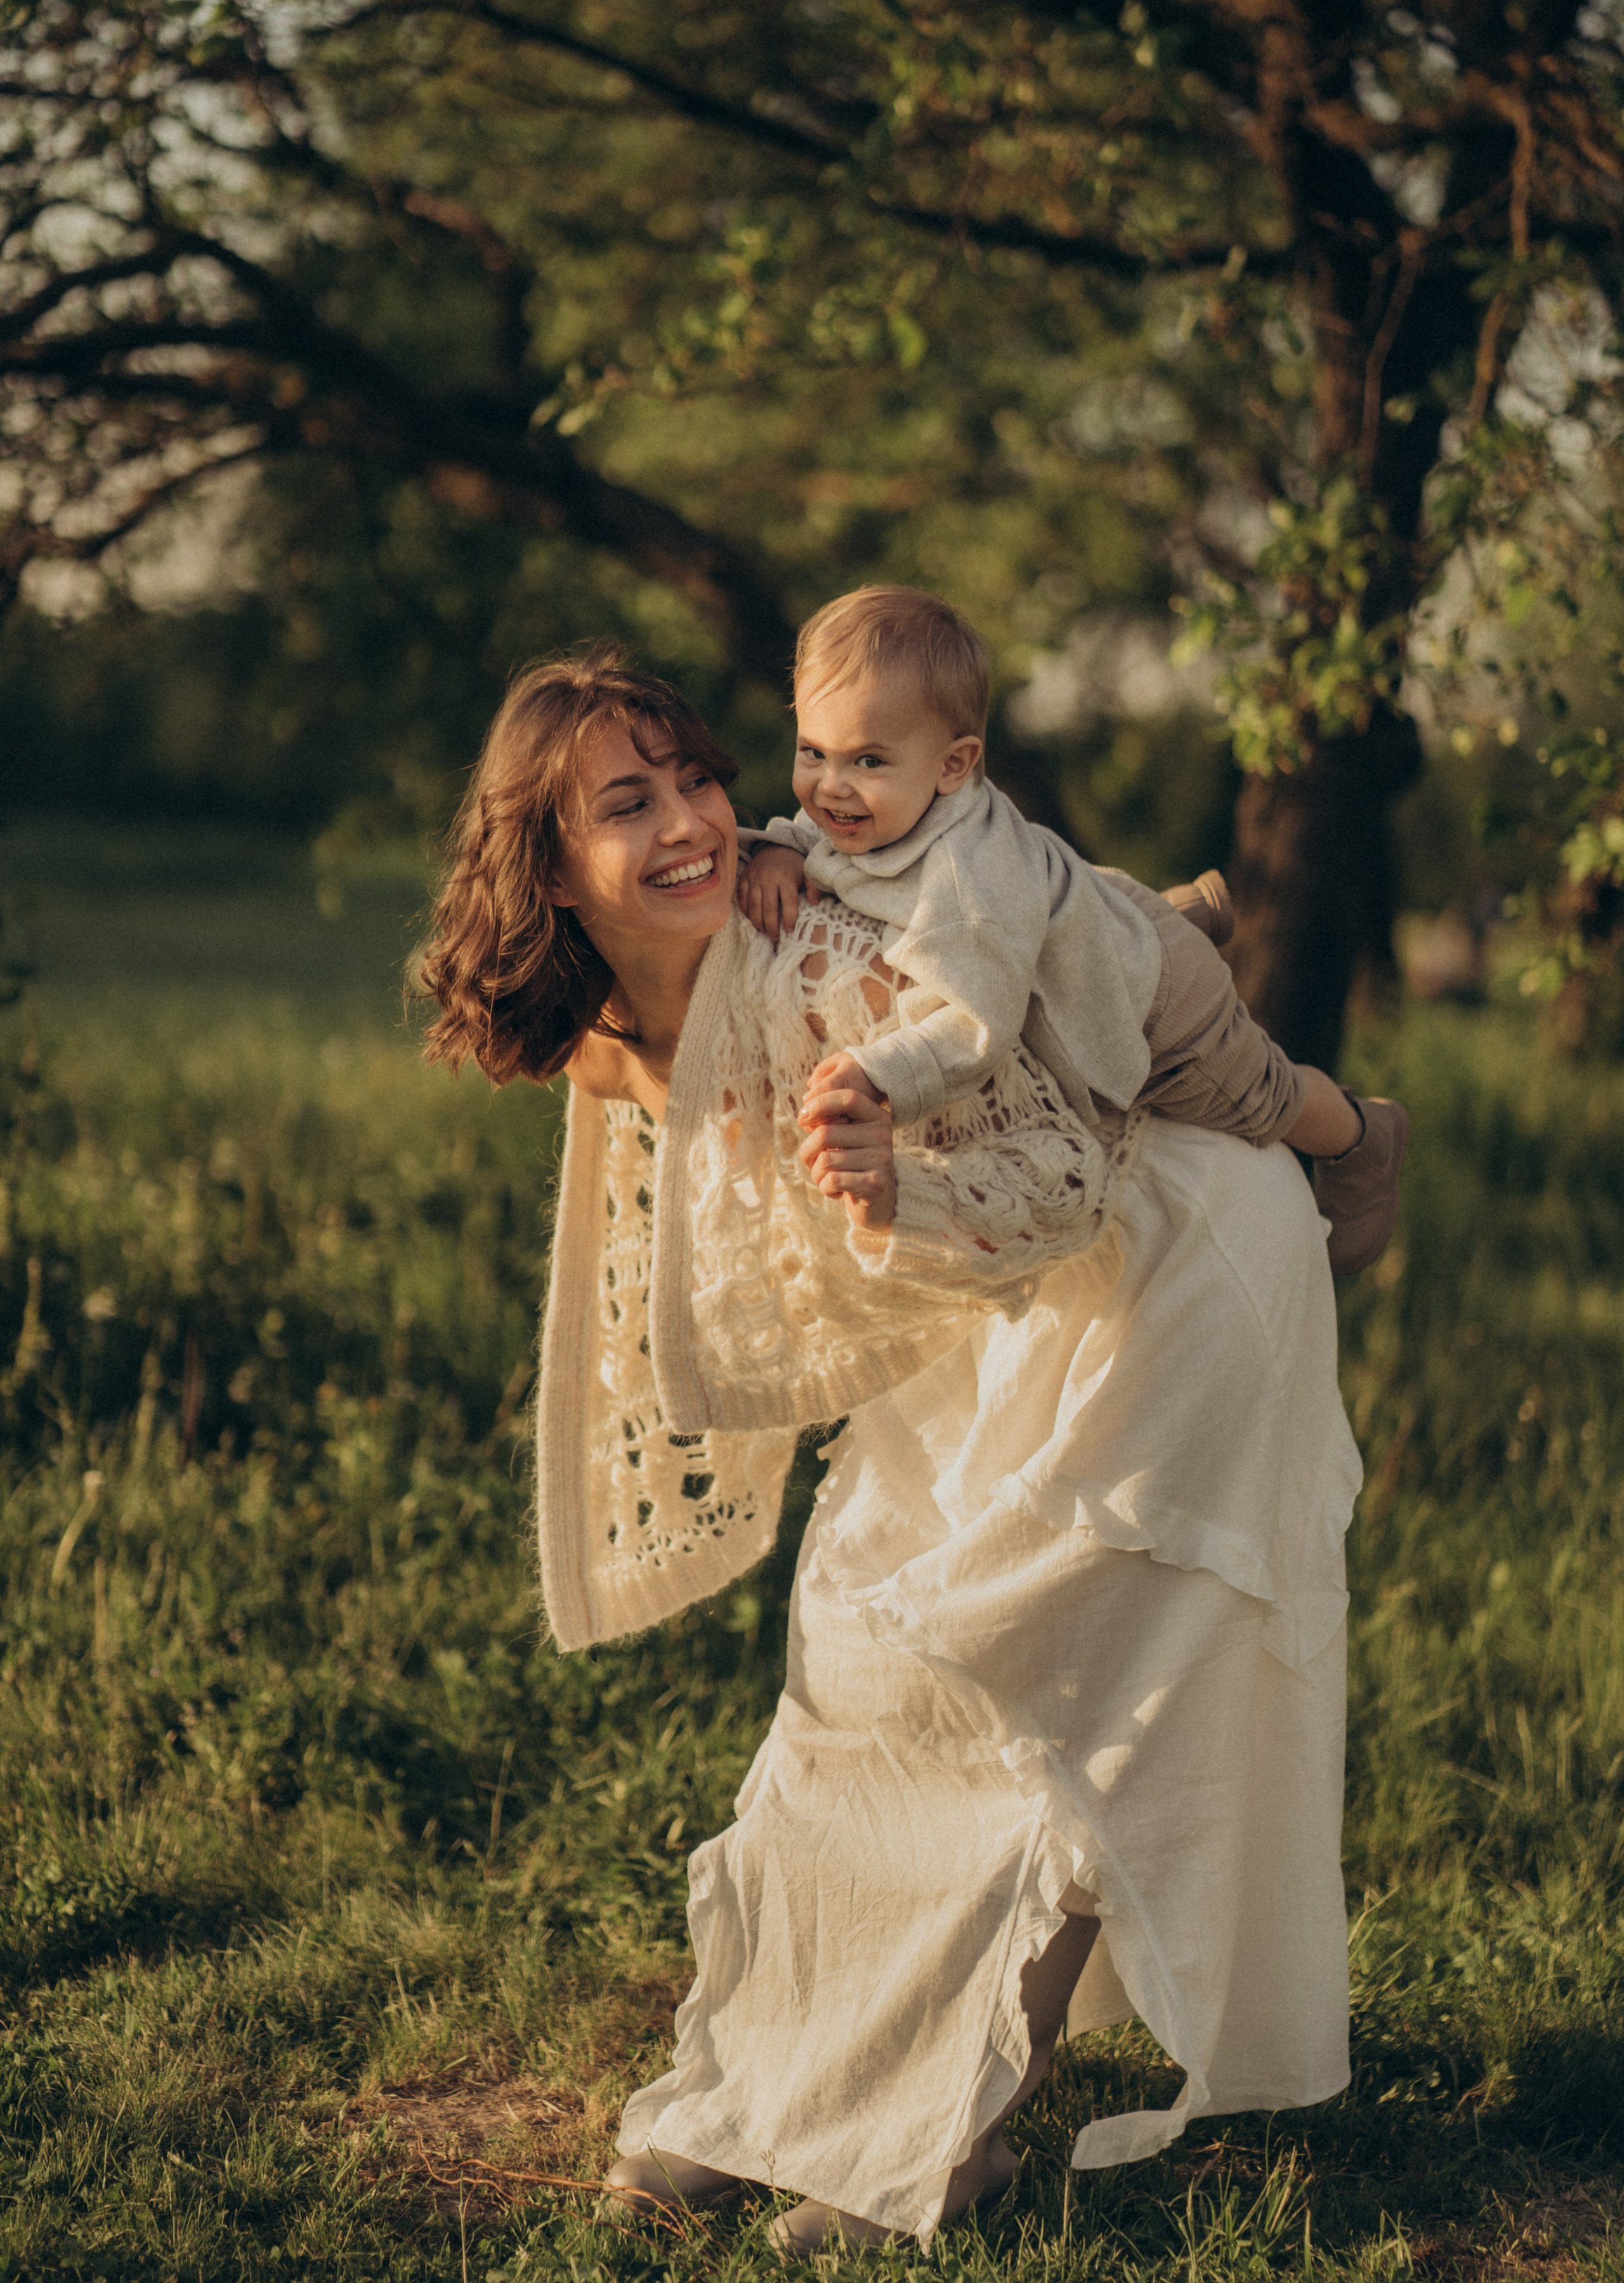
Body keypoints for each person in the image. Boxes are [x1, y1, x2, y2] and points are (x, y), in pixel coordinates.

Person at [421, 649, 1368, 2256]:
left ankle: (954, 2122)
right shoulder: (600, 1026)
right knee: (854, 1663)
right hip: (973, 1306)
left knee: (1043, 1669)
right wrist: (881, 1213)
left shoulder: (822, 958)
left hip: (1166, 1254)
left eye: (696, 779)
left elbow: (1061, 1163)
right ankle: (763, 2093)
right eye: (627, 802)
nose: (689, 822)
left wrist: (891, 1181)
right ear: (550, 869)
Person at [739, 584, 1406, 1275]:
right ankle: (1170, 916)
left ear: (954, 765)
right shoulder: (866, 810)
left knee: (1256, 1095)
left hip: (1161, 1005)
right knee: (1069, 925)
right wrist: (781, 849)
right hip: (1078, 909)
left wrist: (881, 1073)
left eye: (867, 761)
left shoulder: (966, 887)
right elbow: (814, 831)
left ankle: (1361, 1135)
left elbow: (978, 1024)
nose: (830, 787)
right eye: (813, 752)